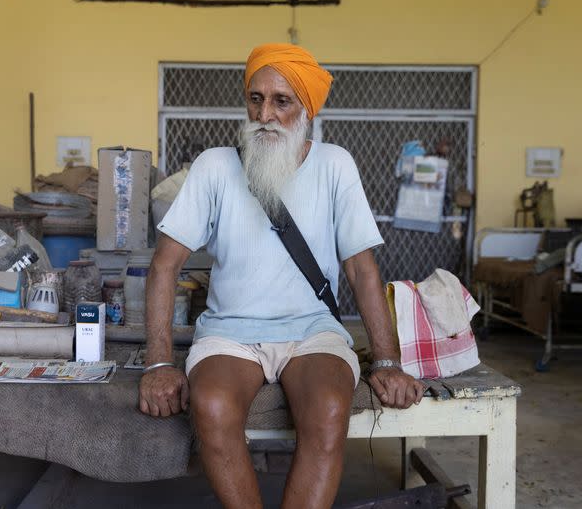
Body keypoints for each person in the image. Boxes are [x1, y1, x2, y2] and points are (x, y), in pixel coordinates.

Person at [138, 43, 425, 509]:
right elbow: (164, 265)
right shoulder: (215, 165)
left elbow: (361, 268)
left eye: (281, 101)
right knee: (210, 406)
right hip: (230, 334)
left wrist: (388, 361)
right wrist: (158, 363)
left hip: (313, 332)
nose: (265, 114)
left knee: (331, 410)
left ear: (306, 108)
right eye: (255, 98)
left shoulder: (335, 165)